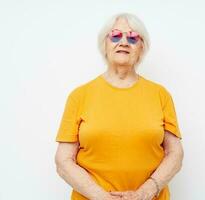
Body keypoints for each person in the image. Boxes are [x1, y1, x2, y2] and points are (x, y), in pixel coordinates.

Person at [54, 12, 184, 200]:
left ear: (141, 48)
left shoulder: (160, 95)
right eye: (115, 36)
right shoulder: (80, 96)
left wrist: (145, 192)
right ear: (104, 44)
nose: (123, 42)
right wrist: (101, 196)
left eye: (132, 38)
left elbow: (175, 153)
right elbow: (63, 160)